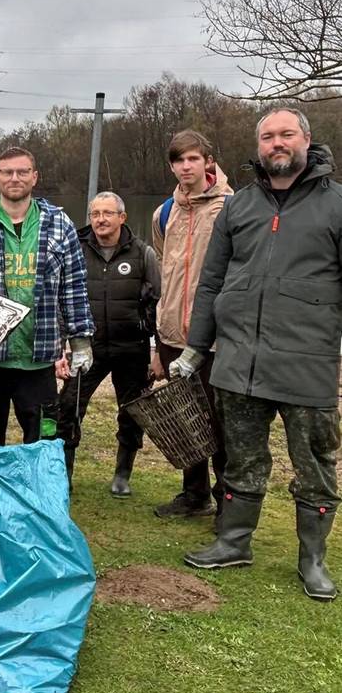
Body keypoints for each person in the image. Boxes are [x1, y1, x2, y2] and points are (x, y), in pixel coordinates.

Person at [180, 109, 341, 601]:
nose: (276, 143)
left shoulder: (335, 205)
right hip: (239, 362)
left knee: (314, 465)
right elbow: (211, 281)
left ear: (306, 140)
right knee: (242, 460)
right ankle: (233, 541)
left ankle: (312, 558)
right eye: (268, 136)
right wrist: (195, 347)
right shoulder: (239, 207)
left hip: (306, 364)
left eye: (285, 134)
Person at [0, 146, 94, 447]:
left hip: (39, 358)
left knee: (43, 438)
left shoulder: (60, 225)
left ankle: (37, 492)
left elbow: (74, 287)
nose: (15, 178)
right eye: (7, 172)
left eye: (22, 171)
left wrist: (81, 341)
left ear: (34, 177)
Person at [55, 191, 160, 495]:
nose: (101, 219)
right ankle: (64, 474)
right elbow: (61, 299)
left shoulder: (143, 253)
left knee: (132, 412)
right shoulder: (73, 250)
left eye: (107, 213)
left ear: (122, 218)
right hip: (87, 347)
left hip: (132, 348)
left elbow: (158, 300)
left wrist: (154, 345)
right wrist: (62, 345)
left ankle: (122, 475)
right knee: (69, 407)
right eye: (95, 214)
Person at [150, 129, 233, 518]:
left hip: (215, 339)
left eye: (194, 158)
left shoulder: (231, 207)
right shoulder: (164, 212)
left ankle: (227, 501)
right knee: (185, 419)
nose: (186, 166)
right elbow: (165, 273)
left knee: (218, 422)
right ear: (172, 166)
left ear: (208, 162)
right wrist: (158, 339)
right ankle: (194, 494)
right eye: (179, 160)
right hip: (171, 334)